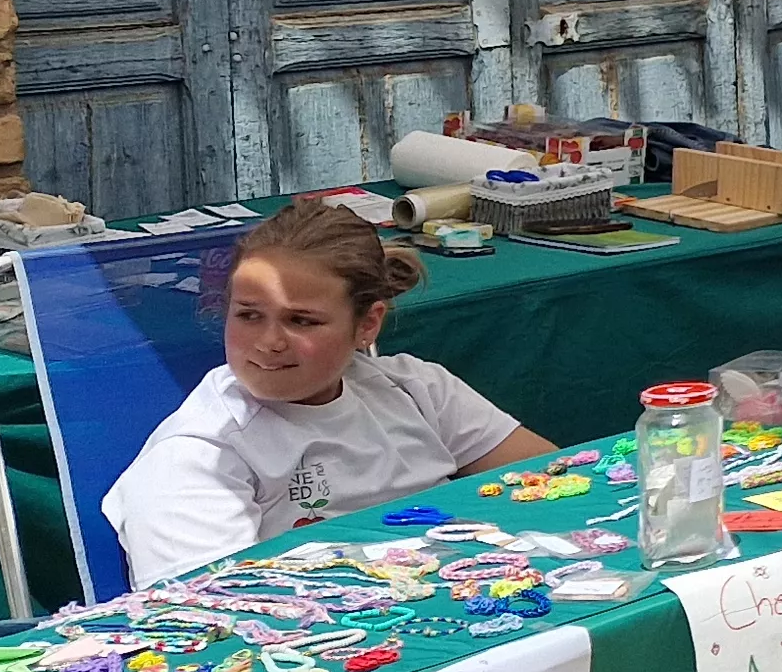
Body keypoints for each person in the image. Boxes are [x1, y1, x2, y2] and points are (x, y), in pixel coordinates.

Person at [102, 200, 561, 581]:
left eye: (301, 320)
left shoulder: (417, 389)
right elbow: (216, 615)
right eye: (248, 314)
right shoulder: (198, 457)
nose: (268, 342)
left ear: (367, 325)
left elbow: (558, 482)